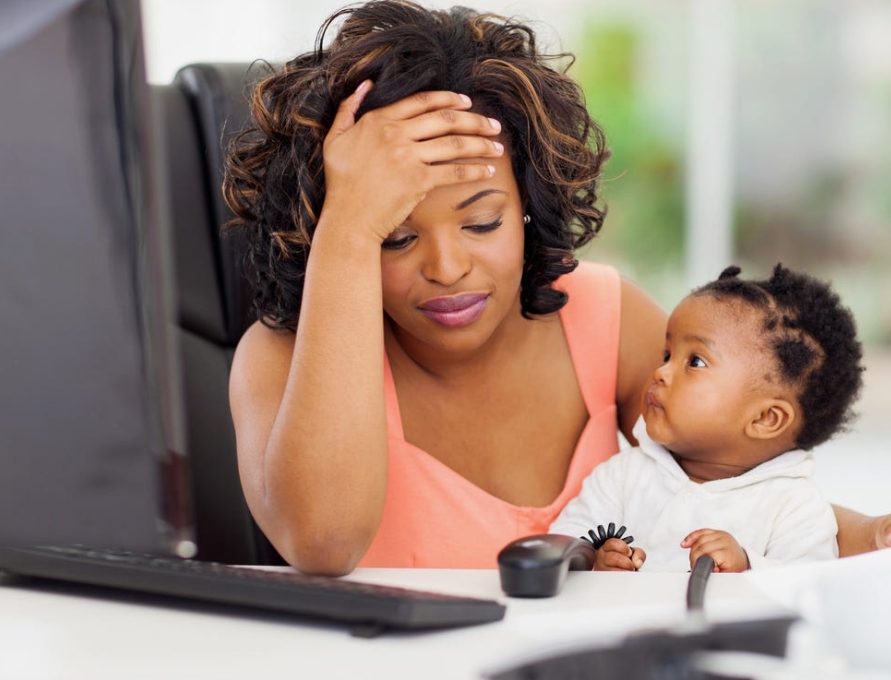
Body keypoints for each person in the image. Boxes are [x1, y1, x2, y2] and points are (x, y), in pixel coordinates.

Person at [222, 0, 891, 575]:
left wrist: (866, 535)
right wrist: (345, 225)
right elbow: (324, 542)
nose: (447, 267)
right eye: (394, 237)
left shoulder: (599, 314)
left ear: (528, 206)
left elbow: (738, 471)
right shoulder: (279, 358)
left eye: (482, 222)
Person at [551, 264, 862, 572]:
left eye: (696, 362)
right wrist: (596, 561)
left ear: (766, 418)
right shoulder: (623, 475)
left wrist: (747, 566)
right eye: (667, 355)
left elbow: (807, 586)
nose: (660, 372)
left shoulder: (795, 507)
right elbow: (561, 544)